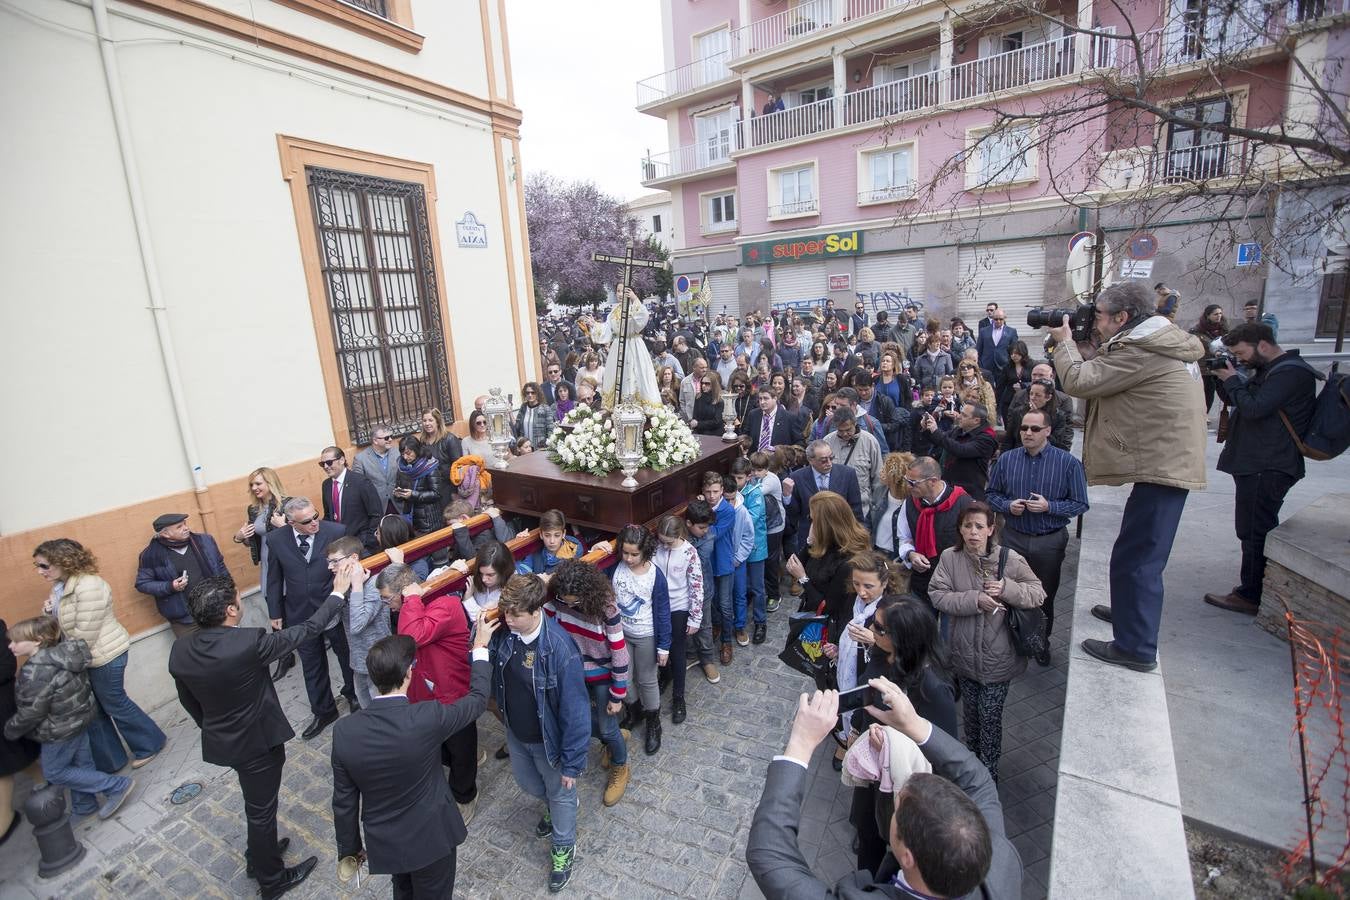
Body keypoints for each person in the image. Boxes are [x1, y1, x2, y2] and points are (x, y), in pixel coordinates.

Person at [1049, 280, 1206, 672]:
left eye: (1099, 315)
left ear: (1123, 317)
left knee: (1140, 559)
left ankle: (1135, 647)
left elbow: (1079, 381)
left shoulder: (1141, 349)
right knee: (1132, 552)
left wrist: (1064, 341)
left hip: (1164, 467)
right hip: (1165, 461)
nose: (1095, 322)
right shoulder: (1156, 341)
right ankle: (1127, 616)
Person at [746, 679, 1022, 899]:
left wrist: (800, 745)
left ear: (907, 856)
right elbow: (978, 779)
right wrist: (914, 725)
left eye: (898, 806)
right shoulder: (998, 857)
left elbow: (769, 855)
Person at [171, 576, 340, 896]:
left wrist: (211, 727)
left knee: (257, 804)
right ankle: (271, 880)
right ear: (231, 610)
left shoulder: (181, 649)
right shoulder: (247, 643)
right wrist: (338, 594)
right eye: (239, 598)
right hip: (257, 743)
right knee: (261, 812)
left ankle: (259, 854)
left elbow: (188, 701)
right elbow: (306, 630)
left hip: (225, 741)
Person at [332, 626, 492, 900]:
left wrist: (350, 849)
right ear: (408, 674)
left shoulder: (344, 732)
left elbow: (344, 801)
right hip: (431, 839)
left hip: (386, 842)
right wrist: (479, 650)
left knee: (403, 891)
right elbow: (477, 701)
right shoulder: (427, 717)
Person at [1204, 322, 1319, 615]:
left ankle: (1250, 594)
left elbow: (1255, 408)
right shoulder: (1272, 370)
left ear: (1262, 345)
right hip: (1259, 462)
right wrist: (1223, 377)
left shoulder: (1291, 372)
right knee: (1251, 528)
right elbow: (1240, 400)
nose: (1240, 360)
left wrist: (1232, 378)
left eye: (1242, 352)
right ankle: (1253, 589)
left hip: (1269, 464)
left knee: (1255, 530)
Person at [929, 503, 1045, 782]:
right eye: (967, 526)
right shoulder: (950, 557)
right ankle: (972, 769)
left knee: (990, 719)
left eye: (979, 526)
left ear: (991, 529)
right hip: (963, 657)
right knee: (970, 718)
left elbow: (1038, 593)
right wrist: (974, 600)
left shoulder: (1010, 559)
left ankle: (987, 777)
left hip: (999, 658)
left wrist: (1007, 588)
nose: (973, 532)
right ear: (960, 528)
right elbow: (937, 594)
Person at [489, 574, 589, 893]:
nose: (507, 619)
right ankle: (554, 805)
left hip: (549, 743)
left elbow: (575, 711)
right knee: (528, 783)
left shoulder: (559, 649)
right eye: (506, 613)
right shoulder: (505, 635)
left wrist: (572, 764)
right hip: (518, 734)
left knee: (561, 794)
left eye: (514, 614)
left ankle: (563, 847)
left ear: (536, 611)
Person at [846, 593, 958, 875]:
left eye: (880, 629)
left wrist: (891, 739)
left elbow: (942, 751)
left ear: (903, 638)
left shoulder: (933, 688)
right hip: (875, 775)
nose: (872, 631)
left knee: (898, 851)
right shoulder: (883, 652)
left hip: (907, 785)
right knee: (869, 834)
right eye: (874, 622)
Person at [34, 538, 165, 773]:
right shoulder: (61, 586)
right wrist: (49, 613)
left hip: (104, 655)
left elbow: (85, 632)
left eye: (44, 566)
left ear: (63, 560)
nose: (40, 571)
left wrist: (63, 663)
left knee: (114, 702)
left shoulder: (89, 586)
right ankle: (112, 761)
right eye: (38, 566)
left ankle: (150, 743)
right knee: (95, 710)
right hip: (84, 657)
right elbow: (64, 626)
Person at [5, 615, 135, 825]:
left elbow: (32, 712)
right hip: (80, 719)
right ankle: (85, 806)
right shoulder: (64, 654)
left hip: (59, 730)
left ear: (37, 640)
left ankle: (116, 786)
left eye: (16, 641)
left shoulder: (36, 671)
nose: (11, 646)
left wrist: (10, 730)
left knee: (55, 772)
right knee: (82, 763)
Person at [985, 408, 1090, 665]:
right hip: (1013, 537)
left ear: (1048, 431)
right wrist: (1007, 506)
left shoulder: (1068, 463)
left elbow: (1080, 503)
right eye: (1023, 428)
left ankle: (1041, 642)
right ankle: (1008, 641)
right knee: (1007, 591)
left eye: (1034, 429)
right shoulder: (1007, 460)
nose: (1027, 433)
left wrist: (1049, 507)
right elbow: (991, 495)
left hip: (1048, 540)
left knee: (1044, 595)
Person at [264, 498, 357, 738]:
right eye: (307, 521)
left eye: (316, 516)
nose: (315, 523)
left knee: (347, 656)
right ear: (292, 522)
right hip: (299, 613)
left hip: (333, 608)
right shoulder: (276, 540)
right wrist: (275, 612)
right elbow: (274, 578)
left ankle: (354, 695)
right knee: (311, 665)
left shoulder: (336, 531)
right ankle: (324, 711)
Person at [545, 561, 631, 807]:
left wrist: (617, 694)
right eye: (566, 600)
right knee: (574, 723)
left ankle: (620, 765)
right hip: (573, 672)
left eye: (574, 602)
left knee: (606, 729)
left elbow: (619, 652)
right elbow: (545, 619)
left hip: (602, 673)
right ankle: (618, 736)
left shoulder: (607, 609)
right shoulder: (559, 600)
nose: (569, 605)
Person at [784, 492, 872, 644]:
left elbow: (829, 607)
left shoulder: (848, 562)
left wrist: (803, 579)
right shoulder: (824, 542)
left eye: (813, 520)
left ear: (826, 525)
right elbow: (796, 563)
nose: (810, 524)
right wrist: (809, 542)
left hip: (833, 633)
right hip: (813, 612)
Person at [234, 468, 296, 681]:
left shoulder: (287, 504)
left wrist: (285, 526)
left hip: (287, 566)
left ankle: (298, 647)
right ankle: (284, 655)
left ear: (270, 483)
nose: (254, 488)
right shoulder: (254, 510)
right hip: (268, 565)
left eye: (258, 483)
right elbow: (255, 539)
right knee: (275, 609)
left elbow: (302, 534)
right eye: (252, 485)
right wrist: (240, 537)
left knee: (292, 607)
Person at [892, 456, 974, 609]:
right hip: (921, 583)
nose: (908, 486)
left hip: (953, 587)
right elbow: (904, 538)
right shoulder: (910, 503)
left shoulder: (964, 504)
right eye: (907, 480)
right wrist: (911, 554)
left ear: (933, 481)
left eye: (913, 483)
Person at [135, 512, 229, 638]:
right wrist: (170, 586)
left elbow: (220, 567)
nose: (186, 528)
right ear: (165, 534)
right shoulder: (151, 555)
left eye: (185, 524)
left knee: (227, 645)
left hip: (215, 608)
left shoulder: (205, 541)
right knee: (195, 655)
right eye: (179, 527)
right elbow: (142, 583)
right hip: (185, 620)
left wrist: (230, 593)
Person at [325, 537, 389, 708]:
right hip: (358, 661)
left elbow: (357, 625)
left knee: (380, 712)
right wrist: (338, 592)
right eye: (329, 562)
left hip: (379, 662)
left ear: (354, 558)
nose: (330, 567)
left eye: (334, 562)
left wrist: (357, 586)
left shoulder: (374, 584)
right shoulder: (346, 586)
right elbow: (329, 624)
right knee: (365, 706)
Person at [784, 440, 866, 553]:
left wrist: (858, 539)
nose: (829, 463)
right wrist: (787, 496)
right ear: (811, 460)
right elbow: (794, 514)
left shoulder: (847, 474)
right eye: (823, 460)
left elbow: (856, 510)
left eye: (831, 458)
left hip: (841, 539)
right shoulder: (797, 477)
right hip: (811, 540)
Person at [0, 619, 38, 845]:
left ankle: (4, 822)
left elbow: (6, 666)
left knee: (14, 758)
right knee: (17, 759)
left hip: (3, 706)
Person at [919, 403, 998, 501]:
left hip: (968, 494)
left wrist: (935, 431)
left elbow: (960, 450)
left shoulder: (986, 439)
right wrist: (927, 429)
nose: (959, 416)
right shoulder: (959, 430)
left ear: (976, 420)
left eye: (964, 415)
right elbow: (941, 440)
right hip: (950, 488)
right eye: (961, 413)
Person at [683, 499, 723, 684]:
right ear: (688, 523)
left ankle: (707, 659)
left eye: (707, 526)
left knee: (704, 625)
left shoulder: (708, 538)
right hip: (682, 592)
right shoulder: (680, 536)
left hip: (703, 590)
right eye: (701, 527)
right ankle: (691, 654)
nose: (706, 530)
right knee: (685, 626)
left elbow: (694, 559)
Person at [319, 446, 383, 554]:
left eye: (329, 462)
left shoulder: (361, 482)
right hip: (339, 546)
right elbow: (328, 515)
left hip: (362, 545)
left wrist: (368, 540)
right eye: (322, 464)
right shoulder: (326, 485)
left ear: (342, 460)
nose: (325, 466)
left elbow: (376, 514)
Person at [824, 408, 884, 520]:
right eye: (840, 431)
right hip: (834, 510)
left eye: (848, 430)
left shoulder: (870, 441)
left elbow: (878, 477)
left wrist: (875, 507)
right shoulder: (827, 441)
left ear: (855, 423)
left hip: (863, 510)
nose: (845, 434)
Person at [395, 436, 449, 552]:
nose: (405, 457)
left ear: (417, 450)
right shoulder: (402, 467)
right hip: (411, 518)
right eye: (403, 454)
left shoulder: (430, 466)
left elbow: (437, 493)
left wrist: (413, 495)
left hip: (429, 519)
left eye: (408, 453)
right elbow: (399, 486)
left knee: (434, 552)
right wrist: (399, 494)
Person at [1000, 380, 1073, 453]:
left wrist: (1039, 416)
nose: (1033, 397)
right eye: (1031, 394)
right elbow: (1009, 439)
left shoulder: (1058, 416)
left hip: (1045, 454)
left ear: (1048, 397)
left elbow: (1055, 442)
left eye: (1038, 395)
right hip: (1019, 453)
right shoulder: (1018, 412)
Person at [1189, 304, 1229, 414]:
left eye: (1220, 313)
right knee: (1206, 394)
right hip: (1204, 368)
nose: (1219, 316)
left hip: (1221, 366)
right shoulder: (1197, 330)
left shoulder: (1224, 328)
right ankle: (1203, 415)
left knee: (1221, 394)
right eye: (1215, 314)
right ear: (1208, 315)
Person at [351, 427, 401, 512]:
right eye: (386, 438)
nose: (390, 439)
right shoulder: (360, 459)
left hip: (399, 504)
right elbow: (358, 485)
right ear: (375, 441)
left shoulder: (398, 452)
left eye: (390, 436)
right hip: (378, 507)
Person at [522, 509, 585, 576]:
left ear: (563, 534)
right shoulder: (535, 552)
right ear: (541, 534)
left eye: (557, 535)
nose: (552, 541)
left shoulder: (573, 551)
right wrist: (521, 542)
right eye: (547, 535)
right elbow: (522, 573)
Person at [741, 385, 804, 449]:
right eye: (760, 399)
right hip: (756, 456)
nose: (762, 402)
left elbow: (799, 443)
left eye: (766, 398)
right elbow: (746, 436)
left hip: (779, 458)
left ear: (775, 399)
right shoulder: (753, 415)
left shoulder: (789, 418)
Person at [976, 309, 1018, 375]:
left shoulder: (1011, 331)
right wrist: (980, 364)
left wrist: (1009, 363)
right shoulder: (983, 331)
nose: (998, 321)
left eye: (1001, 319)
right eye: (996, 319)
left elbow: (1014, 349)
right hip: (986, 366)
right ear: (992, 318)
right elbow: (978, 349)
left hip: (1004, 366)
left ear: (1005, 318)